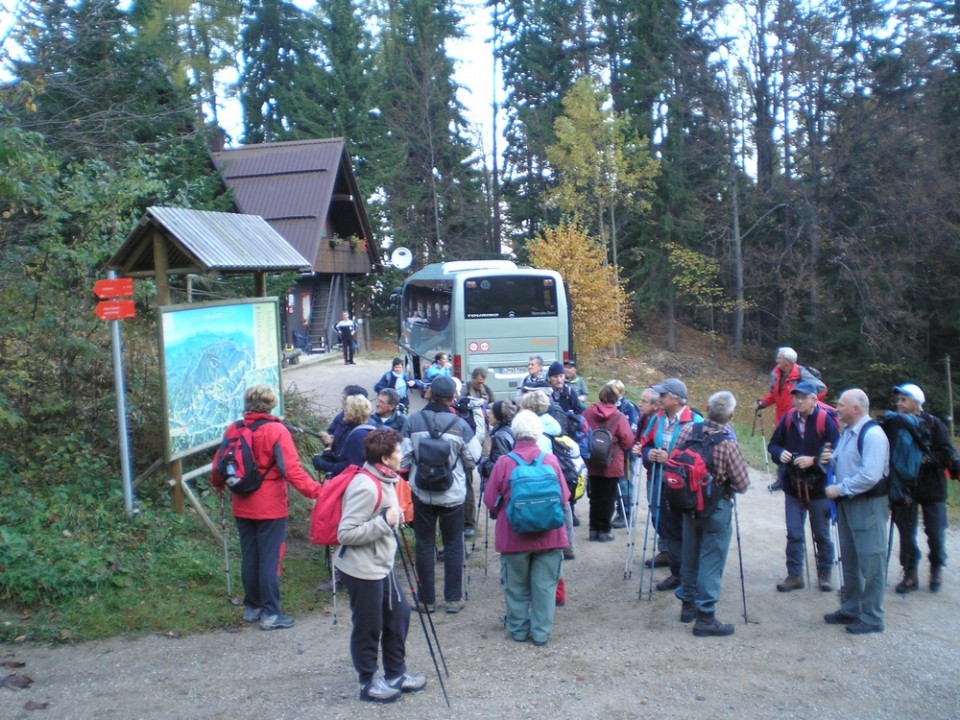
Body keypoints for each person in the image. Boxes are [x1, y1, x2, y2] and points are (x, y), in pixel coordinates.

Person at [210, 384, 321, 631]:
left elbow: (219, 463)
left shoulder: (234, 428)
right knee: (270, 558)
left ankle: (253, 607)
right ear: (271, 404)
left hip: (242, 501)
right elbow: (291, 469)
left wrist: (218, 485)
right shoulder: (276, 430)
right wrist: (317, 492)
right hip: (270, 505)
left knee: (250, 556)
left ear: (247, 403)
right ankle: (271, 613)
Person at [335, 428, 426, 703]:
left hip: (381, 564)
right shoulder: (365, 485)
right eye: (399, 452)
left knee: (399, 615)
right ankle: (368, 683)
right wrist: (385, 522)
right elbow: (345, 534)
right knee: (368, 625)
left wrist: (389, 520)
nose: (402, 455)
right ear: (385, 459)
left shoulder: (385, 478)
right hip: (362, 569)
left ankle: (396, 674)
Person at [483, 409, 570, 646]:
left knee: (516, 586)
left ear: (514, 432)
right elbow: (564, 497)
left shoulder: (503, 463)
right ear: (538, 433)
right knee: (545, 587)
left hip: (514, 536)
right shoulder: (550, 461)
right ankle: (541, 634)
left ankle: (519, 630)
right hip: (549, 536)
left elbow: (490, 499)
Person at [401, 375, 483, 614]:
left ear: (429, 393)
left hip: (422, 493)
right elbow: (472, 458)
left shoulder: (413, 421)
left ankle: (427, 600)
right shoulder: (460, 425)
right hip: (453, 495)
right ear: (453, 398)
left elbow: (403, 459)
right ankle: (453, 599)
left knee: (425, 545)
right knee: (454, 543)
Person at [673, 391, 751, 636]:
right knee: (711, 559)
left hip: (687, 503)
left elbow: (675, 461)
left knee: (690, 552)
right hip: (716, 507)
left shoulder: (687, 431)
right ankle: (706, 616)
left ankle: (687, 605)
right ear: (730, 415)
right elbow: (742, 483)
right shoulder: (727, 443)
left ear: (706, 407)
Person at [822, 389, 890, 635]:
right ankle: (850, 608)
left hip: (867, 505)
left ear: (857, 409)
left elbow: (870, 476)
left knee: (872, 560)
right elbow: (847, 463)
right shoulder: (848, 433)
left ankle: (872, 616)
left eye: (841, 405)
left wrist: (839, 489)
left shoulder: (873, 435)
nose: (836, 408)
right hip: (848, 503)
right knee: (849, 557)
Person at [766, 381, 841, 592]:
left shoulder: (825, 420)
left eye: (803, 397)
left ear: (814, 399)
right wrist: (780, 454)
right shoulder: (788, 418)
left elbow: (836, 450)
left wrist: (814, 460)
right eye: (796, 396)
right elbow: (774, 444)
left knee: (821, 533)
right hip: (793, 486)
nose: (799, 400)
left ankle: (825, 574)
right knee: (794, 532)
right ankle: (795, 575)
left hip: (818, 488)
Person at [887, 383, 959, 594]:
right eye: (898, 400)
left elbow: (946, 453)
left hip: (932, 484)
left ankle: (936, 566)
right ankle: (910, 573)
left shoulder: (935, 425)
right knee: (906, 532)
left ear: (917, 403)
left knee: (935, 531)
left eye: (903, 399)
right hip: (904, 486)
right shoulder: (894, 424)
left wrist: (924, 459)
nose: (899, 403)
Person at [638, 378, 702, 589]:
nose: (660, 398)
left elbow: (699, 457)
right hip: (659, 479)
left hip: (684, 486)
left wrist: (670, 458)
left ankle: (689, 574)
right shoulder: (657, 418)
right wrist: (650, 454)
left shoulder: (695, 421)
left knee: (685, 528)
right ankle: (677, 572)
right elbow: (643, 445)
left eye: (663, 395)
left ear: (675, 399)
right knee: (665, 525)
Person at [755, 347, 826, 491]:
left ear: (787, 362)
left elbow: (822, 389)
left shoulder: (801, 374)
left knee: (794, 448)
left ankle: (798, 479)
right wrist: (763, 403)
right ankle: (782, 479)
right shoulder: (776, 374)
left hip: (798, 418)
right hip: (782, 418)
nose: (776, 360)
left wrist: (808, 404)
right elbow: (774, 394)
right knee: (781, 448)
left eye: (779, 358)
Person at [582, 382, 635, 542]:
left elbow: (582, 433)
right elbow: (627, 441)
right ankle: (604, 530)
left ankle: (593, 529)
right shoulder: (619, 416)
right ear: (616, 398)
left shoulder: (588, 413)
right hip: (612, 463)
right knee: (608, 497)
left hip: (592, 462)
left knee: (595, 496)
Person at [313, 395, 375, 477]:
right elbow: (345, 458)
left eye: (346, 409)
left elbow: (350, 468)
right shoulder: (358, 429)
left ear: (352, 414)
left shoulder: (358, 435)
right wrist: (328, 453)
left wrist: (324, 465)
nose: (343, 412)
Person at [609, 379, 639, 529]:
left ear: (621, 392)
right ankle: (617, 511)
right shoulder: (608, 406)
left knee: (625, 483)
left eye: (615, 391)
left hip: (626, 452)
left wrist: (621, 441)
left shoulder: (628, 407)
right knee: (614, 483)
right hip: (610, 452)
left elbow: (633, 429)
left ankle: (626, 513)